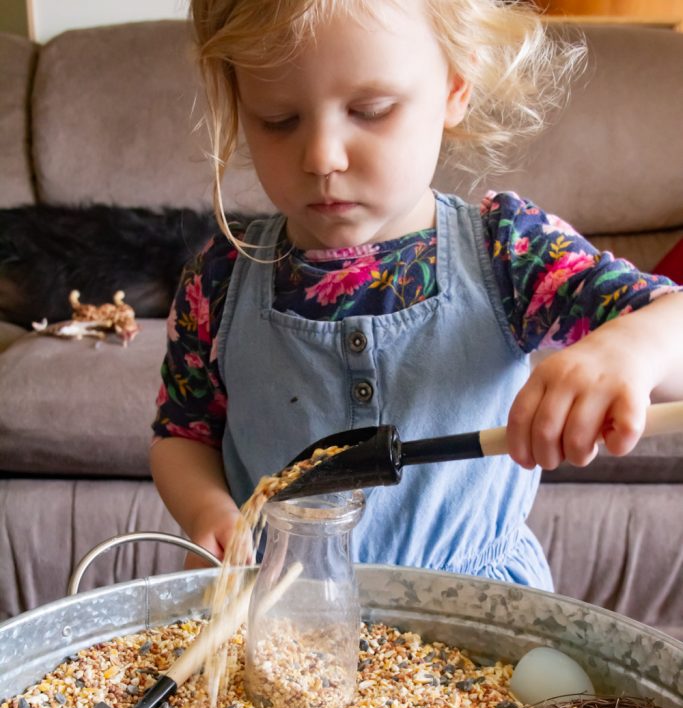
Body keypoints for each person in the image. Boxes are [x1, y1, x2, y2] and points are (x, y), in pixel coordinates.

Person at [151, 0, 683, 588]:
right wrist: (207, 510)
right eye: (278, 119)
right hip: (283, 617)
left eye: (370, 110)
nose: (321, 157)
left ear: (456, 87)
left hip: (480, 617)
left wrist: (629, 350)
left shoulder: (511, 250)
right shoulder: (220, 277)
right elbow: (182, 434)